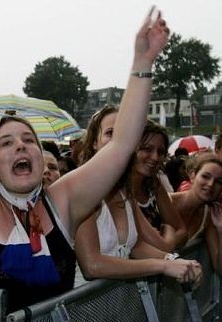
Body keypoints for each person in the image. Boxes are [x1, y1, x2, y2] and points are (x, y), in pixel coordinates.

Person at [0, 0, 170, 311]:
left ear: (41, 158)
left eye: (29, 139)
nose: (21, 146)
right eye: (6, 143)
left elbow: (121, 144)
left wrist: (142, 63)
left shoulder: (63, 202)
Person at [74, 108, 202, 286]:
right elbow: (92, 266)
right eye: (111, 133)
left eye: (126, 135)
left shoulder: (124, 191)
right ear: (95, 142)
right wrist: (162, 266)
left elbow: (135, 246)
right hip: (83, 309)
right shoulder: (81, 188)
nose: (120, 141)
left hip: (118, 303)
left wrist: (174, 260)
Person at [128, 121, 188, 251]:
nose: (155, 157)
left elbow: (182, 231)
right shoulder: (115, 190)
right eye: (147, 149)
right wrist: (166, 239)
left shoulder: (154, 185)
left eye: (160, 151)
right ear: (131, 149)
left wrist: (164, 242)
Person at [170, 156, 222, 278]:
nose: (210, 184)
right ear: (192, 175)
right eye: (205, 176)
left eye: (219, 182)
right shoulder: (166, 202)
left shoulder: (207, 215)